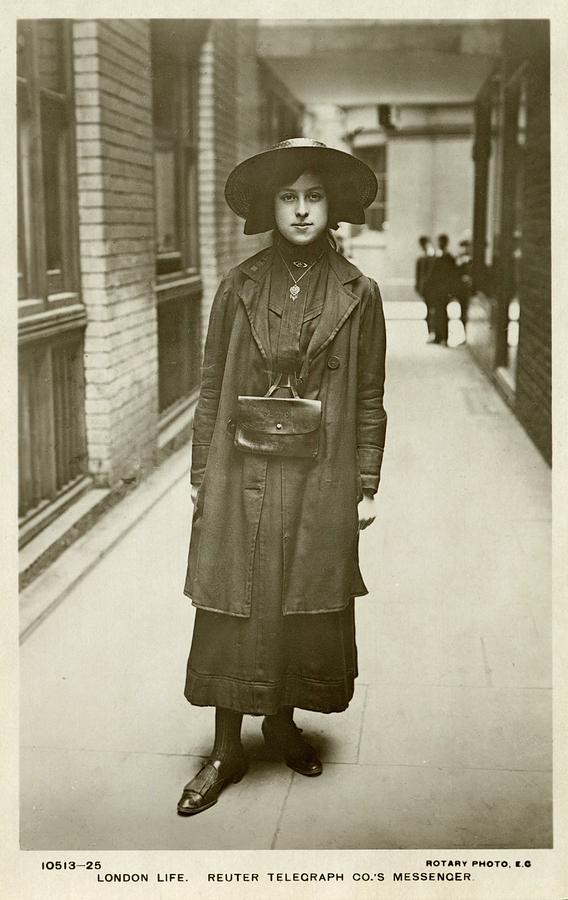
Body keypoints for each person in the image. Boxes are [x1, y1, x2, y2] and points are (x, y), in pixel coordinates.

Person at [177, 138, 388, 816]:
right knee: (233, 597)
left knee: (303, 598)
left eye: (314, 196)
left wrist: (366, 481)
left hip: (321, 473)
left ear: (333, 207)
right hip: (242, 467)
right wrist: (200, 469)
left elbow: (369, 395)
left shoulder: (362, 292)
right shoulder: (237, 286)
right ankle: (225, 746)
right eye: (289, 197)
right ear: (270, 206)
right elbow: (211, 383)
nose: (302, 210)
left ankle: (280, 722)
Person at [424, 233, 457, 346]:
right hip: (440, 290)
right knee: (439, 313)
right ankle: (439, 337)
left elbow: (451, 276)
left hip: (442, 290)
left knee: (441, 313)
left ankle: (443, 337)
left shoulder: (445, 258)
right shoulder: (441, 258)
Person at [414, 235, 436, 341]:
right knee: (431, 310)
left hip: (429, 288)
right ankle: (432, 332)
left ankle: (432, 332)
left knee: (431, 310)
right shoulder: (425, 257)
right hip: (428, 289)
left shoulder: (428, 257)